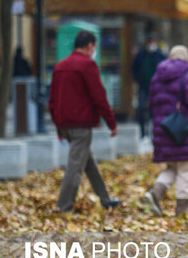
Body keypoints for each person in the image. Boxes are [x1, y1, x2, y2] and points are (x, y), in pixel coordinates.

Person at [48, 30, 120, 213]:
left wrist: (58, 126)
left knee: (88, 162)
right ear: (90, 46)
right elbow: (100, 97)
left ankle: (105, 199)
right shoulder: (87, 65)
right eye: (94, 47)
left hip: (64, 122)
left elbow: (52, 99)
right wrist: (111, 123)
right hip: (81, 124)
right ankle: (63, 207)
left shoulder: (60, 66)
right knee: (75, 167)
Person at [143, 46, 188, 216]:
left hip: (163, 129)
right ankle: (182, 209)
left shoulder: (157, 76)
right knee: (186, 167)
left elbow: (151, 103)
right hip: (182, 129)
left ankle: (155, 193)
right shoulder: (187, 75)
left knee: (172, 167)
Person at [132, 34, 166, 138]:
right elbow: (134, 68)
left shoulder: (160, 56)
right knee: (141, 108)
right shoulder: (141, 55)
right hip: (143, 86)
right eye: (150, 42)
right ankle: (143, 132)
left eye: (153, 42)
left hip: (157, 87)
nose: (151, 44)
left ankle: (154, 130)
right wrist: (138, 78)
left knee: (155, 109)